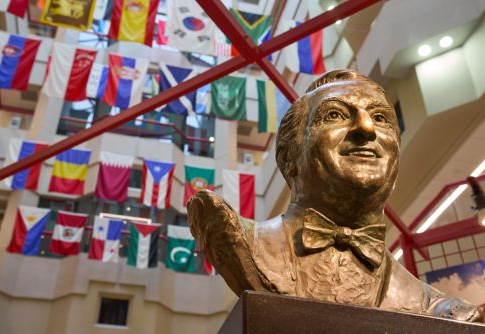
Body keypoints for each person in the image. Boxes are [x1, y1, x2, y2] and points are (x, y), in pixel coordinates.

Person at [187, 69, 483, 322]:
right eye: (334, 115)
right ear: (289, 155)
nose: (366, 128)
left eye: (381, 118)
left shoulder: (437, 309)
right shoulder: (240, 242)